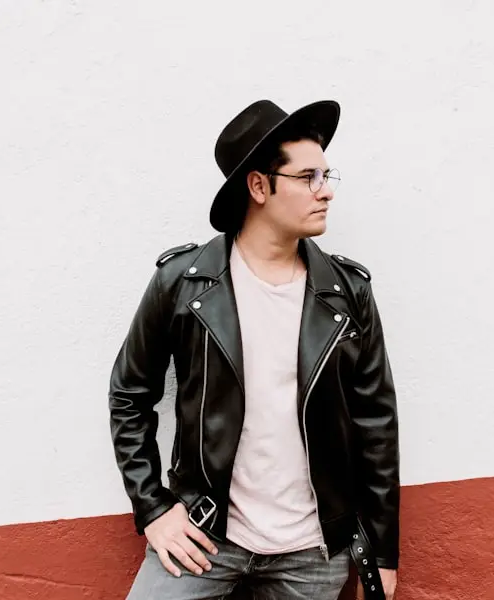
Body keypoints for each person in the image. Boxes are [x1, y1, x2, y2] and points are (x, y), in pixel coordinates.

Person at [109, 99, 400, 600]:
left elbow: (376, 424)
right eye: (308, 177)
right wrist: (153, 507)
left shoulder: (347, 293)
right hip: (205, 535)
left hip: (312, 553)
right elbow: (130, 394)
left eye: (327, 175)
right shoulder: (183, 284)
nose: (326, 190)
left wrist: (382, 552)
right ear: (259, 187)